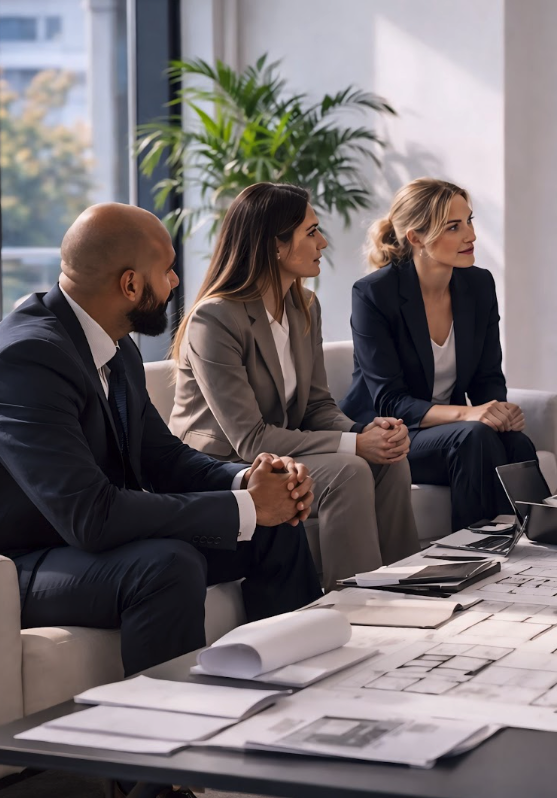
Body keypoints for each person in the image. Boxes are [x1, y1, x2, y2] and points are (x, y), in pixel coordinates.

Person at [0, 203, 322, 678]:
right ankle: (168, 736)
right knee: (166, 565)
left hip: (75, 543)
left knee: (274, 527)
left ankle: (295, 686)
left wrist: (250, 481)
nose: (175, 283)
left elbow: (163, 458)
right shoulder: (24, 362)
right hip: (8, 564)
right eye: (167, 270)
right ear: (130, 284)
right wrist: (246, 508)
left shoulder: (113, 344)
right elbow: (92, 515)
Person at [169, 183, 419, 590]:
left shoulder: (304, 306)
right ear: (275, 246)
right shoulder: (214, 319)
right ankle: (359, 608)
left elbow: (317, 405)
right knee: (349, 471)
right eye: (311, 231)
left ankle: (410, 591)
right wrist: (355, 447)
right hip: (225, 465)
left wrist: (367, 434)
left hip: (281, 455)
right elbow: (250, 439)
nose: (323, 242)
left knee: (389, 462)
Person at [340, 178, 537, 531]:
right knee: (473, 436)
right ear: (416, 238)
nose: (470, 236)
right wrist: (470, 414)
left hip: (449, 433)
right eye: (453, 227)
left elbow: (487, 377)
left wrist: (498, 410)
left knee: (515, 442)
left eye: (470, 221)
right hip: (391, 434)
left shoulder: (478, 285)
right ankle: (472, 555)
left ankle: (548, 549)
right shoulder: (374, 294)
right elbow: (390, 401)